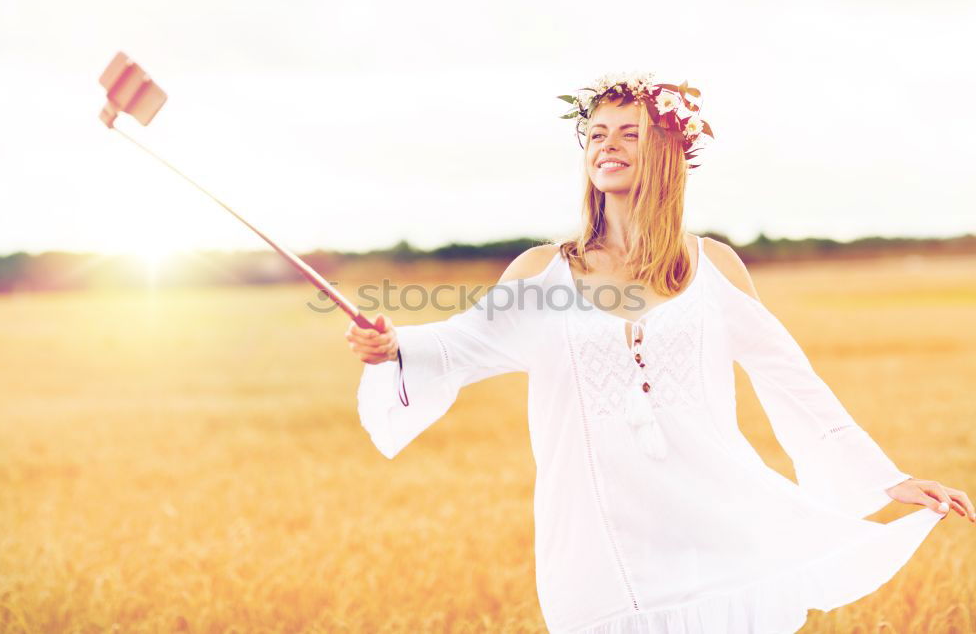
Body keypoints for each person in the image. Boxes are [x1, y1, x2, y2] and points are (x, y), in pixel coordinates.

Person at [345, 72, 973, 633]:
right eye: (595, 133)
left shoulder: (714, 266)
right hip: (602, 544)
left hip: (718, 527)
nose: (606, 144)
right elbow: (461, 345)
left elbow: (790, 379)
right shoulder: (543, 273)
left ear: (669, 153)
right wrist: (392, 345)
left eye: (629, 133)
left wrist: (887, 480)